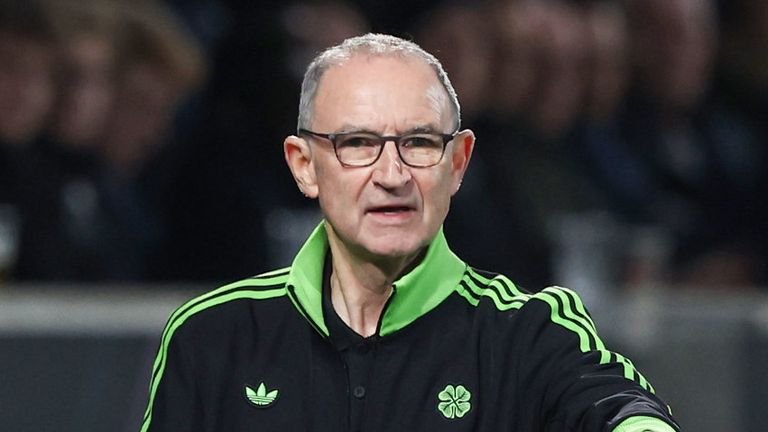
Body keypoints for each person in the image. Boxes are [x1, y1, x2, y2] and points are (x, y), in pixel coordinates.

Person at [140, 33, 679, 431]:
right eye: (357, 144)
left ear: (459, 163)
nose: (392, 175)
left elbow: (627, 413)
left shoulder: (529, 333)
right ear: (304, 165)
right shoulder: (212, 337)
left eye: (419, 143)